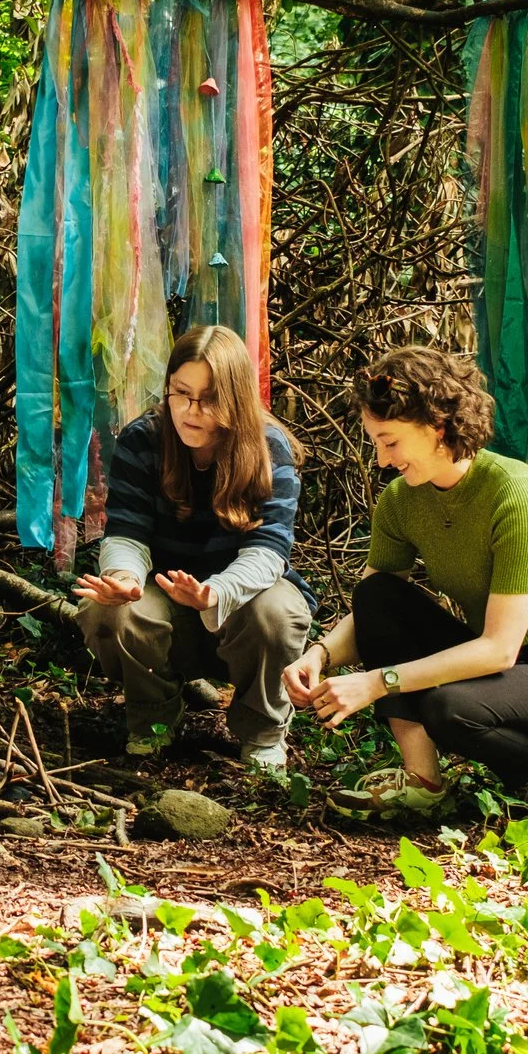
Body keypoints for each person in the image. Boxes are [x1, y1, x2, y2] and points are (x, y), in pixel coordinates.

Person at [280, 346, 528, 814]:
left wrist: (378, 683)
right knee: (378, 594)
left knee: (450, 708)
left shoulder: (515, 492)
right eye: (375, 443)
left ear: (438, 427)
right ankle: (422, 783)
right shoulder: (400, 502)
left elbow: (498, 648)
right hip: (509, 669)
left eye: (390, 442)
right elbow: (372, 611)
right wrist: (320, 654)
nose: (383, 459)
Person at [72, 326, 312, 769]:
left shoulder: (268, 446)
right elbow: (126, 532)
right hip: (165, 592)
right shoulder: (143, 438)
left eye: (209, 398)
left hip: (245, 595)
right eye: (180, 393)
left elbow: (268, 552)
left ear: (237, 397)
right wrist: (124, 578)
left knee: (278, 613)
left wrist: (217, 591)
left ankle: (262, 732)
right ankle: (152, 721)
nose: (191, 411)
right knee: (109, 611)